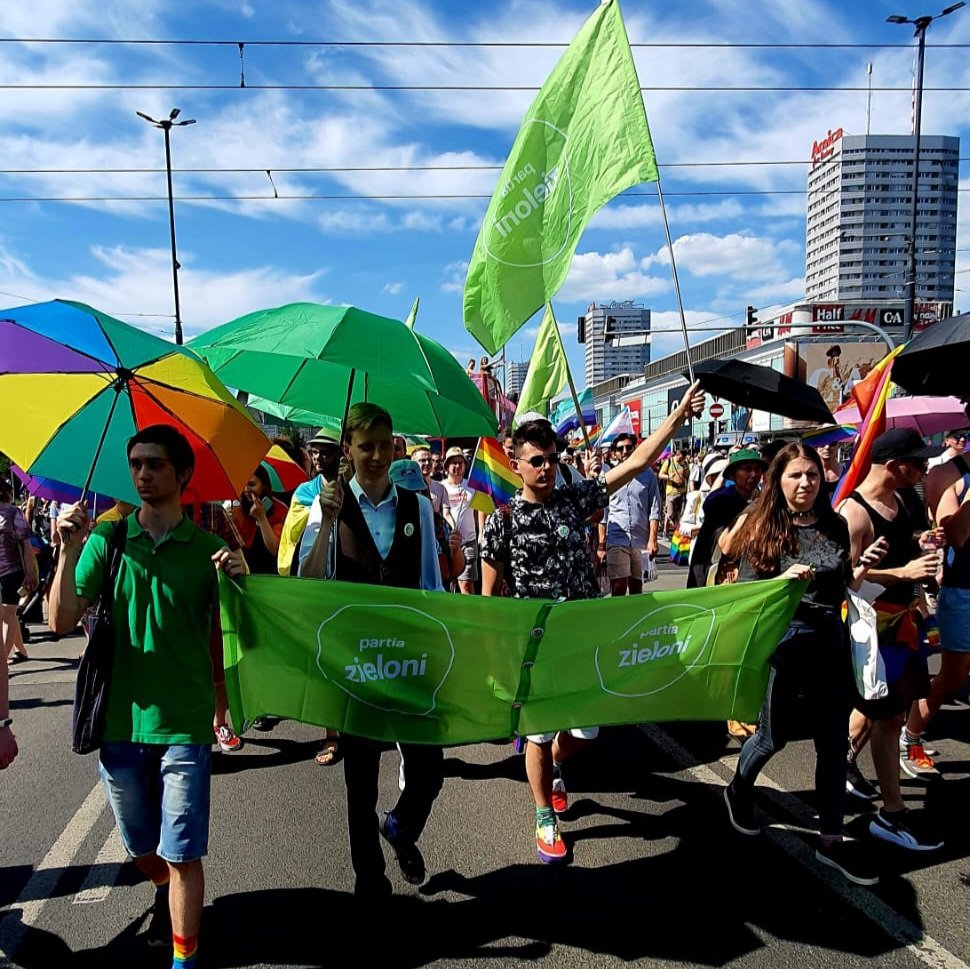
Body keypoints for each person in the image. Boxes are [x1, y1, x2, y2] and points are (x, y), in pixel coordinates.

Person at [48, 424, 247, 967]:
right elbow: (60, 620)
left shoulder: (209, 550)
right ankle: (163, 887)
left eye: (154, 464)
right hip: (119, 722)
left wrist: (241, 581)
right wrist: (67, 551)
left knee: (182, 852)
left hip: (185, 724)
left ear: (182, 474)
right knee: (142, 849)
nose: (142, 474)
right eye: (136, 464)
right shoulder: (106, 541)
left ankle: (185, 958)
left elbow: (247, 632)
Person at [480, 382, 705, 864]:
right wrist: (497, 656)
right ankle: (544, 813)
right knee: (539, 734)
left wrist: (678, 417)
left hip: (584, 641)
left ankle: (552, 765)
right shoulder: (501, 523)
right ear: (516, 464)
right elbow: (488, 599)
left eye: (551, 459)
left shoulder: (573, 500)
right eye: (536, 461)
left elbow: (637, 463)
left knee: (585, 734)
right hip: (535, 647)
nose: (546, 468)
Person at [721, 443, 888, 886]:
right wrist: (782, 580)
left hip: (829, 645)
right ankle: (738, 790)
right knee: (771, 738)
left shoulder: (835, 525)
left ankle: (831, 838)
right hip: (783, 645)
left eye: (812, 474)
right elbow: (747, 597)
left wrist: (862, 569)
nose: (805, 483)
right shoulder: (762, 527)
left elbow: (841, 586)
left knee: (832, 744)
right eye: (795, 475)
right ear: (778, 480)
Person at [299, 403, 445, 898]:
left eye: (385, 445)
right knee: (360, 782)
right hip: (356, 664)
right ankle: (370, 881)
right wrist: (327, 521)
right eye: (366, 447)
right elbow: (308, 582)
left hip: (408, 661)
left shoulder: (417, 507)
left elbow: (431, 586)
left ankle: (400, 829)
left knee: (428, 771)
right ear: (348, 450)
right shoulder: (327, 505)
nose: (378, 455)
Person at [838, 428, 945, 850]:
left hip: (903, 621)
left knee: (886, 713)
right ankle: (892, 813)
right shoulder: (854, 512)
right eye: (917, 463)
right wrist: (903, 573)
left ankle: (845, 772)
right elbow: (846, 577)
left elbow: (905, 545)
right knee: (885, 717)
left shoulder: (903, 500)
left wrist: (921, 542)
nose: (923, 470)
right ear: (894, 465)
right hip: (873, 625)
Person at [275, 428, 344, 763]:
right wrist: (324, 511)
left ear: (340, 454)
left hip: (351, 588)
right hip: (318, 587)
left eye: (325, 451)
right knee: (325, 665)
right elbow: (293, 535)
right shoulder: (305, 492)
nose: (318, 457)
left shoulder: (355, 489)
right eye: (314, 451)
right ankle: (332, 735)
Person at [901, 466, 970, 776]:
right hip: (964, 590)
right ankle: (911, 737)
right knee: (954, 676)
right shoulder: (951, 476)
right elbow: (956, 536)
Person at [687, 449, 768, 589]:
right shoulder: (722, 500)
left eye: (757, 469)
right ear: (733, 474)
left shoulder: (759, 498)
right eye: (747, 469)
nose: (754, 474)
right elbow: (727, 547)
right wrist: (749, 511)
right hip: (714, 579)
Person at [598, 432, 661, 596]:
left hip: (641, 540)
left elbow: (654, 509)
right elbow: (603, 512)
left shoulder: (648, 475)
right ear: (614, 453)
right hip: (617, 537)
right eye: (620, 449)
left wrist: (653, 540)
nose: (625, 451)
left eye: (628, 447)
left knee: (636, 586)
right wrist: (601, 545)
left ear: (635, 448)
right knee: (619, 585)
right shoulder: (609, 477)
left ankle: (635, 613)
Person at [0, 479, 37, 665]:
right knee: (8, 615)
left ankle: (2, 661)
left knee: (7, 613)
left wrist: (30, 572)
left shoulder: (12, 512)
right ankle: (21, 651)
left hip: (11, 571)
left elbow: (25, 543)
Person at [231, 466, 287, 576]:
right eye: (243, 485)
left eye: (252, 485)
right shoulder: (237, 507)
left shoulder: (280, 510)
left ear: (264, 486)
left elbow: (275, 550)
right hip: (243, 572)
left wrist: (261, 518)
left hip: (269, 574)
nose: (246, 490)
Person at [441, 447, 479, 594]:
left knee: (466, 584)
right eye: (453, 463)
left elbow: (478, 512)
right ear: (446, 467)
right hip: (447, 544)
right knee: (448, 584)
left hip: (468, 541)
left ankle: (471, 608)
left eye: (460, 462)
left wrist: (480, 533)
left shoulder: (472, 486)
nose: (457, 466)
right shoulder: (441, 487)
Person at [411, 446, 454, 529]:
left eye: (429, 460)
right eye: (422, 460)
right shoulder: (407, 488)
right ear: (413, 464)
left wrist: (454, 529)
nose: (427, 463)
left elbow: (446, 514)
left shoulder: (440, 488)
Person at [659, 448, 690, 536]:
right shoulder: (669, 462)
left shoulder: (685, 463)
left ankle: (676, 532)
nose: (682, 459)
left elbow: (687, 476)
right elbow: (660, 475)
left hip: (682, 491)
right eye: (681, 457)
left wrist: (686, 471)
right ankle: (665, 531)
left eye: (683, 458)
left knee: (679, 513)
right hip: (671, 492)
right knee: (670, 513)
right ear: (678, 454)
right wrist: (669, 477)